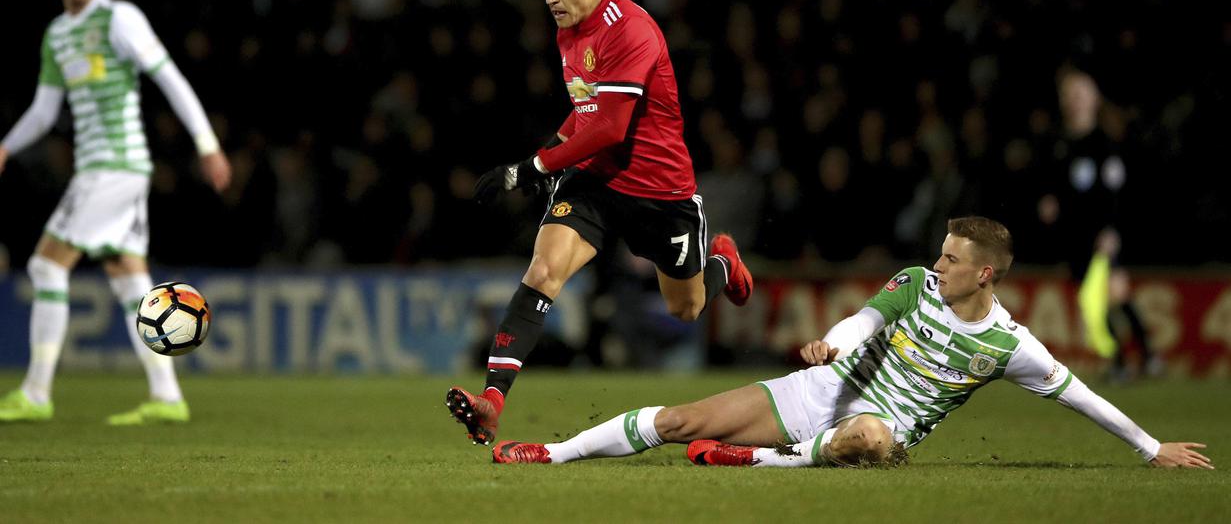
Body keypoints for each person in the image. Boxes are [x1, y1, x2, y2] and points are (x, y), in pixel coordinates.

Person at [488, 217, 1212, 470]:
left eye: (953, 260)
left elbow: (1077, 395)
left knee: (867, 439)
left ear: (984, 272)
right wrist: (828, 345)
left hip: (879, 428)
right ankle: (552, 453)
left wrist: (1151, 450)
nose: (939, 265)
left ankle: (762, 464)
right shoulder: (916, 285)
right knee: (678, 422)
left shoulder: (1006, 344)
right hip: (819, 394)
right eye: (939, 254)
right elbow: (862, 320)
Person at [446, 0, 753, 445]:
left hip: (661, 190)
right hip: (597, 183)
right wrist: (549, 151)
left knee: (686, 308)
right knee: (544, 270)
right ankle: (492, 400)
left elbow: (611, 126)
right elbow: (587, 110)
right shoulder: (568, 28)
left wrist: (532, 166)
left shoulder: (631, 29)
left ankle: (723, 262)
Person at [0, 0, 232, 425]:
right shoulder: (58, 35)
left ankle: (37, 392)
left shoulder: (119, 18)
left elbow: (170, 78)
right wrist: (6, 147)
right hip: (109, 170)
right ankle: (167, 397)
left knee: (45, 266)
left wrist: (207, 144)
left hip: (115, 165)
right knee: (130, 281)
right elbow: (44, 111)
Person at [1037, 68, 1158, 380]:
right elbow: (1055, 186)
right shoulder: (1059, 143)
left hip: (1100, 238)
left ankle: (1141, 356)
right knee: (1094, 303)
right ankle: (1128, 359)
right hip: (1073, 238)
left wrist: (1112, 230)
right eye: (1069, 95)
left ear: (1093, 100)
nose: (1074, 101)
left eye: (1080, 94)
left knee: (1113, 293)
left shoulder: (1103, 143)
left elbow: (1116, 194)